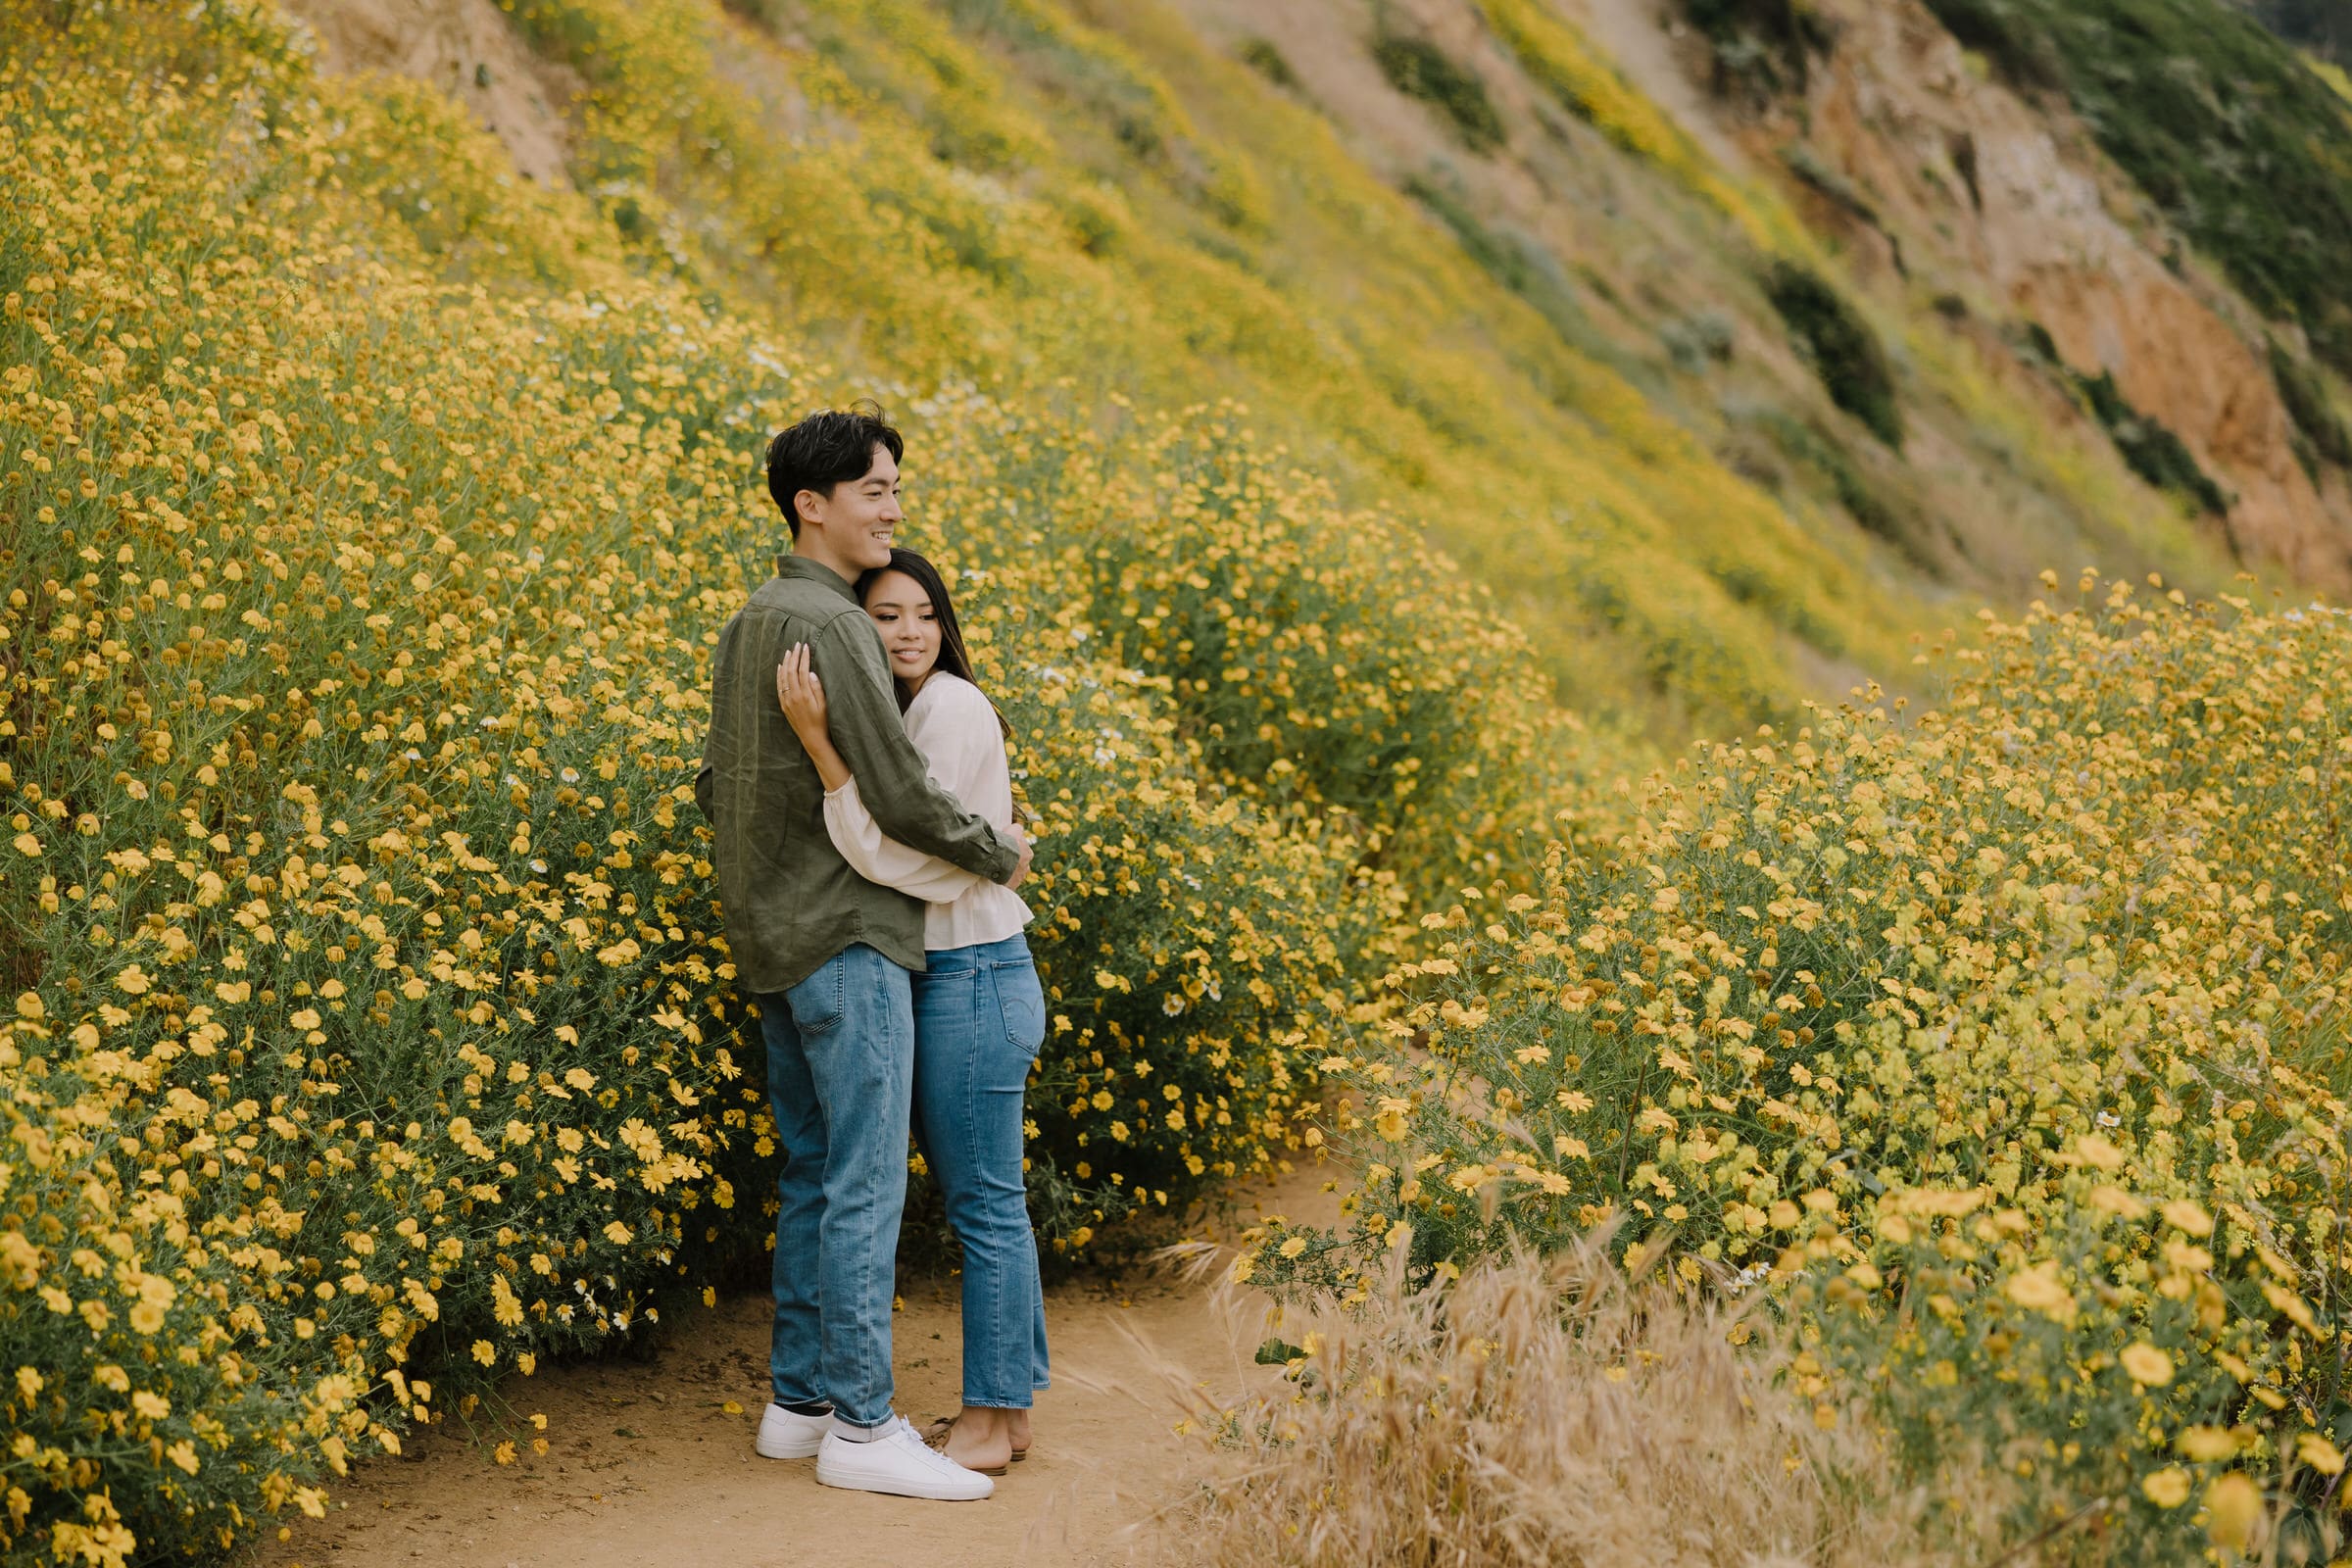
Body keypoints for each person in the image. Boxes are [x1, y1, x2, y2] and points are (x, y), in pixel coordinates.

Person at [696, 405, 1031, 1503]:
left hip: (776, 941)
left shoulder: (753, 617)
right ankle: (863, 1425)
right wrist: (999, 849)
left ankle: (798, 1406)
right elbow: (895, 788)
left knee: (809, 1171)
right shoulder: (835, 623)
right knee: (863, 1179)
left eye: (894, 489)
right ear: (813, 504)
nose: (893, 508)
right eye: (876, 490)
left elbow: (719, 789)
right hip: (849, 937)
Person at [774, 548, 1050, 1478]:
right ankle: (1005, 1414)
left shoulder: (951, 706)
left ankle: (988, 1418)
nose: (909, 632)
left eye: (925, 614)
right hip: (963, 974)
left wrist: (819, 750)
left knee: (984, 1206)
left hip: (975, 974)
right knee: (986, 1201)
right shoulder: (907, 712)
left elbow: (903, 859)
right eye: (886, 616)